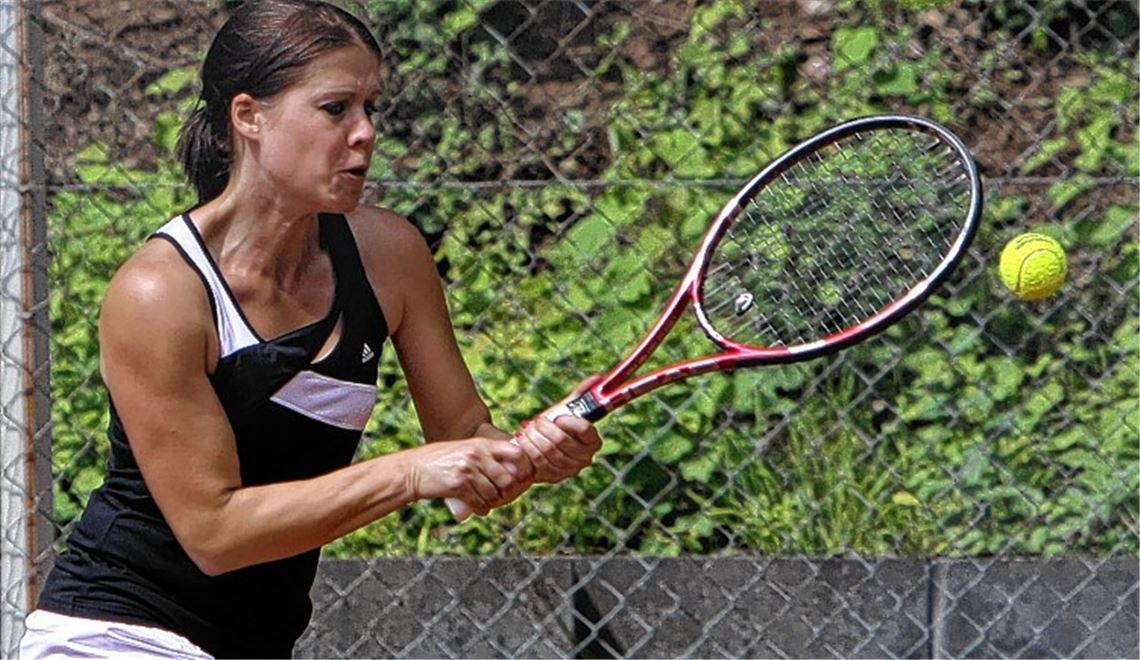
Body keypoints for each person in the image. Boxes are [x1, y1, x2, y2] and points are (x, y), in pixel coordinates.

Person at [20, 1, 602, 657]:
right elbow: (214, 532)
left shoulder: (390, 257)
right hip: (116, 633)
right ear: (249, 117)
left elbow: (464, 439)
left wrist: (529, 456)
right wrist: (410, 474)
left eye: (370, 108)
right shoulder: (160, 293)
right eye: (335, 109)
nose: (364, 133)